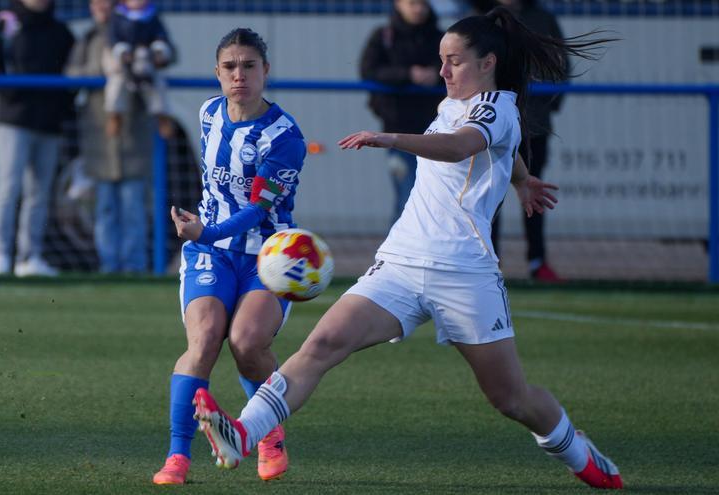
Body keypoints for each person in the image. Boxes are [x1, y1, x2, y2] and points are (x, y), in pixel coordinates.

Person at [193, 8, 623, 490]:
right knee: (322, 344)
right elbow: (499, 145)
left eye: (454, 61)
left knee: (512, 400)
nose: (443, 71)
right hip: (399, 263)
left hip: (464, 275)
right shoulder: (453, 103)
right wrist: (521, 179)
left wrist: (392, 138)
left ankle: (577, 449)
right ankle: (242, 435)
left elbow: (464, 145)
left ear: (488, 62)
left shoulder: (496, 106)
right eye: (441, 60)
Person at [151, 28, 308, 485]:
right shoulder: (208, 114)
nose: (239, 75)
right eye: (229, 67)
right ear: (217, 73)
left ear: (266, 71)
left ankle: (268, 431)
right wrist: (206, 236)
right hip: (209, 253)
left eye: (249, 66)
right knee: (202, 342)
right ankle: (178, 457)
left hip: (268, 255)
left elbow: (259, 209)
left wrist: (208, 230)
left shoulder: (284, 137)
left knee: (246, 344)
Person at [0, 0, 75, 277]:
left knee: (39, 193)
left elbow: (71, 73)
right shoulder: (6, 23)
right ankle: (0, 255)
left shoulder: (60, 30)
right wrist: (12, 94)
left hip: (48, 123)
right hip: (14, 121)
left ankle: (30, 257)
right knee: (8, 187)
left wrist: (61, 106)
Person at [66, 0, 152, 273]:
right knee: (104, 208)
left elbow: (164, 57)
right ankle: (109, 265)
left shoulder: (139, 29)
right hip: (100, 137)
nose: (101, 6)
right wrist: (98, 73)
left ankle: (134, 266)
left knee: (133, 207)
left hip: (132, 135)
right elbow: (69, 74)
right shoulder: (88, 38)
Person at [490, 0, 568, 281]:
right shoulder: (483, 17)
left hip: (533, 126)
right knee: (489, 197)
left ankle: (537, 261)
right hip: (493, 129)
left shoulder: (543, 19)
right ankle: (489, 261)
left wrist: (544, 106)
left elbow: (561, 65)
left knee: (533, 194)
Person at [360, 0, 444, 225]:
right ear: (398, 4)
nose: (418, 9)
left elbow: (456, 66)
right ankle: (395, 255)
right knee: (407, 196)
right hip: (398, 128)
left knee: (435, 199)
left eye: (423, 4)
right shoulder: (383, 36)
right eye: (412, 3)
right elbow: (368, 71)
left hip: (436, 130)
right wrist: (408, 74)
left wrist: (436, 75)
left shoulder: (440, 37)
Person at [104, 0, 175, 136]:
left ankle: (162, 115)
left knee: (157, 84)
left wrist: (159, 50)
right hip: (124, 62)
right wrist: (122, 52)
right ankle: (115, 114)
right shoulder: (118, 16)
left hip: (146, 59)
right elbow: (113, 38)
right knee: (116, 82)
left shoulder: (152, 16)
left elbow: (161, 36)